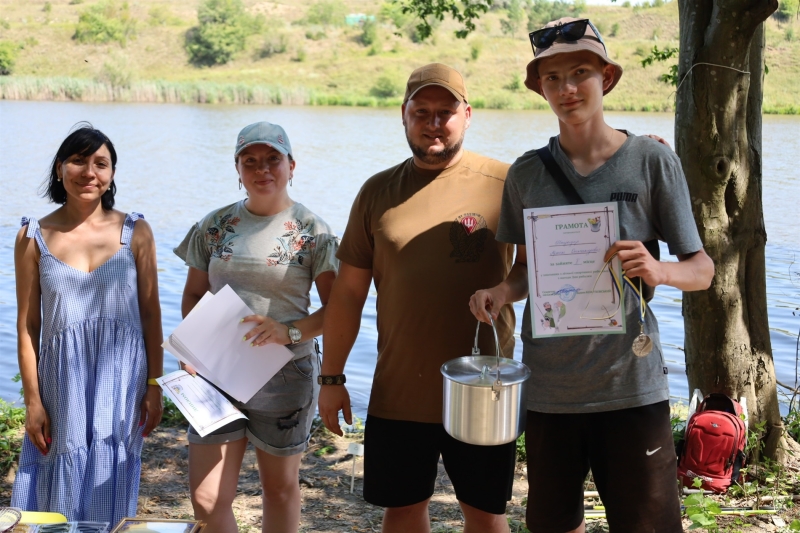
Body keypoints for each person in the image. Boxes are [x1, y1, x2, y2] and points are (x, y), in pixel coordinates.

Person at [469, 18, 715, 533]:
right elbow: (524, 275)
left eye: (580, 72)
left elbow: (702, 270)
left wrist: (659, 270)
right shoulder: (527, 174)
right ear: (540, 88)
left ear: (606, 77)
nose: (567, 89)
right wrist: (499, 292)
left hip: (630, 389)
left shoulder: (651, 161)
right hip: (550, 393)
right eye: (552, 78)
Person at [318, 63, 517, 533]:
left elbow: (534, 266)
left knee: (486, 514)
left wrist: (636, 148)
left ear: (467, 114)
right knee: (403, 510)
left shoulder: (508, 183)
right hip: (399, 390)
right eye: (421, 111)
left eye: (445, 111)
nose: (433, 122)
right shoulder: (376, 191)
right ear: (403, 115)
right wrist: (331, 377)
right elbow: (347, 295)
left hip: (484, 386)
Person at [174, 121, 338, 533]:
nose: (262, 169)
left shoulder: (312, 231)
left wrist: (290, 332)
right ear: (238, 169)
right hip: (215, 372)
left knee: (279, 490)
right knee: (207, 499)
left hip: (286, 375)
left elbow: (338, 309)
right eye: (251, 162)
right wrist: (192, 350)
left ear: (291, 165)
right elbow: (194, 295)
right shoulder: (214, 225)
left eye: (273, 160)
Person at [12, 124, 164, 525]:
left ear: (112, 174)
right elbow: (28, 326)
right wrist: (32, 400)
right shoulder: (33, 236)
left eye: (101, 163)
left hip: (121, 378)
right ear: (60, 167)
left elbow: (151, 315)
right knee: (58, 470)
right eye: (79, 161)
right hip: (62, 379)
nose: (89, 172)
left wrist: (154, 386)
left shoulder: (137, 232)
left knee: (111, 469)